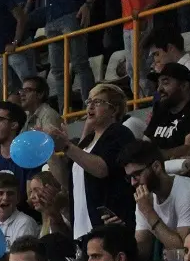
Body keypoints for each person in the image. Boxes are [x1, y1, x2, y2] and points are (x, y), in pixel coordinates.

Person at [45, 84, 136, 237]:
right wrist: (48, 149)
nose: (90, 106)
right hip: (82, 228)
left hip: (108, 225)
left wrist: (67, 146)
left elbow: (102, 169)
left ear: (114, 109)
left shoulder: (119, 133)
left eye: (98, 102)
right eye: (89, 102)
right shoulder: (88, 140)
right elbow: (68, 182)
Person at [119, 139, 190, 261]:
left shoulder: (187, 193)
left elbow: (186, 251)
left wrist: (149, 212)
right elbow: (143, 250)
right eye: (129, 177)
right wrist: (120, 235)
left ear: (156, 166)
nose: (133, 182)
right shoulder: (146, 197)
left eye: (137, 174)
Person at [144, 62, 190, 158]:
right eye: (158, 84)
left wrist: (152, 157)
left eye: (165, 83)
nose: (159, 89)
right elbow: (145, 142)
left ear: (184, 86)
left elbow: (188, 150)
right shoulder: (160, 109)